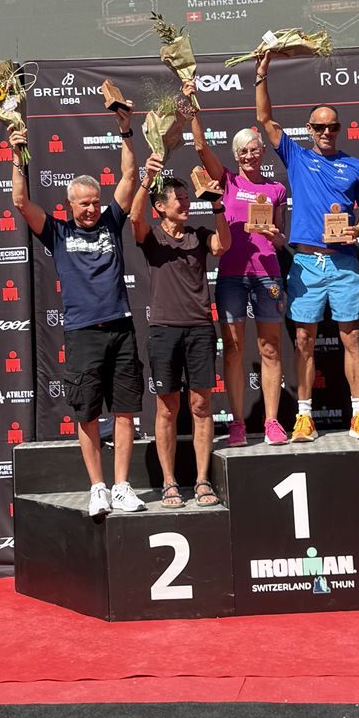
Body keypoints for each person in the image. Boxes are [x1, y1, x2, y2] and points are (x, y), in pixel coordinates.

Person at [10, 111, 143, 517]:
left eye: (95, 202)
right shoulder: (58, 232)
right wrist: (17, 156)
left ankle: (122, 486)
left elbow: (130, 176)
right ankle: (98, 487)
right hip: (83, 333)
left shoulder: (111, 223)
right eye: (84, 204)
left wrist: (125, 131)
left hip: (120, 328)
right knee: (87, 414)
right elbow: (20, 202)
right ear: (69, 206)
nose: (91, 209)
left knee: (125, 411)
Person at [255, 53, 359, 441]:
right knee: (303, 341)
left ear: (339, 129)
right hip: (306, 263)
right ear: (309, 129)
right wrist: (261, 74)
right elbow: (265, 120)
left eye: (333, 127)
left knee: (353, 339)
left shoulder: (355, 166)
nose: (327, 132)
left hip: (344, 263)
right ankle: (304, 417)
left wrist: (358, 228)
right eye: (320, 127)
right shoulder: (296, 156)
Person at [182, 77, 290, 446]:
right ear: (236, 155)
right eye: (243, 151)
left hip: (268, 273)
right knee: (233, 349)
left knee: (270, 348)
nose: (250, 156)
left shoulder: (276, 190)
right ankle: (238, 424)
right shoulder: (227, 181)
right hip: (231, 275)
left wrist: (276, 237)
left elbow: (282, 236)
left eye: (255, 150)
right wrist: (192, 107)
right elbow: (200, 147)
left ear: (262, 152)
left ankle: (272, 422)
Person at [130, 152, 231, 508]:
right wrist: (146, 180)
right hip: (163, 331)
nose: (186, 204)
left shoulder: (198, 235)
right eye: (179, 199)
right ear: (160, 207)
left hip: (200, 329)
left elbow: (223, 245)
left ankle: (202, 480)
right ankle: (170, 482)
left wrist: (218, 206)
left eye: (189, 198)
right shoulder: (153, 237)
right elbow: (134, 218)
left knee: (201, 405)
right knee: (167, 408)